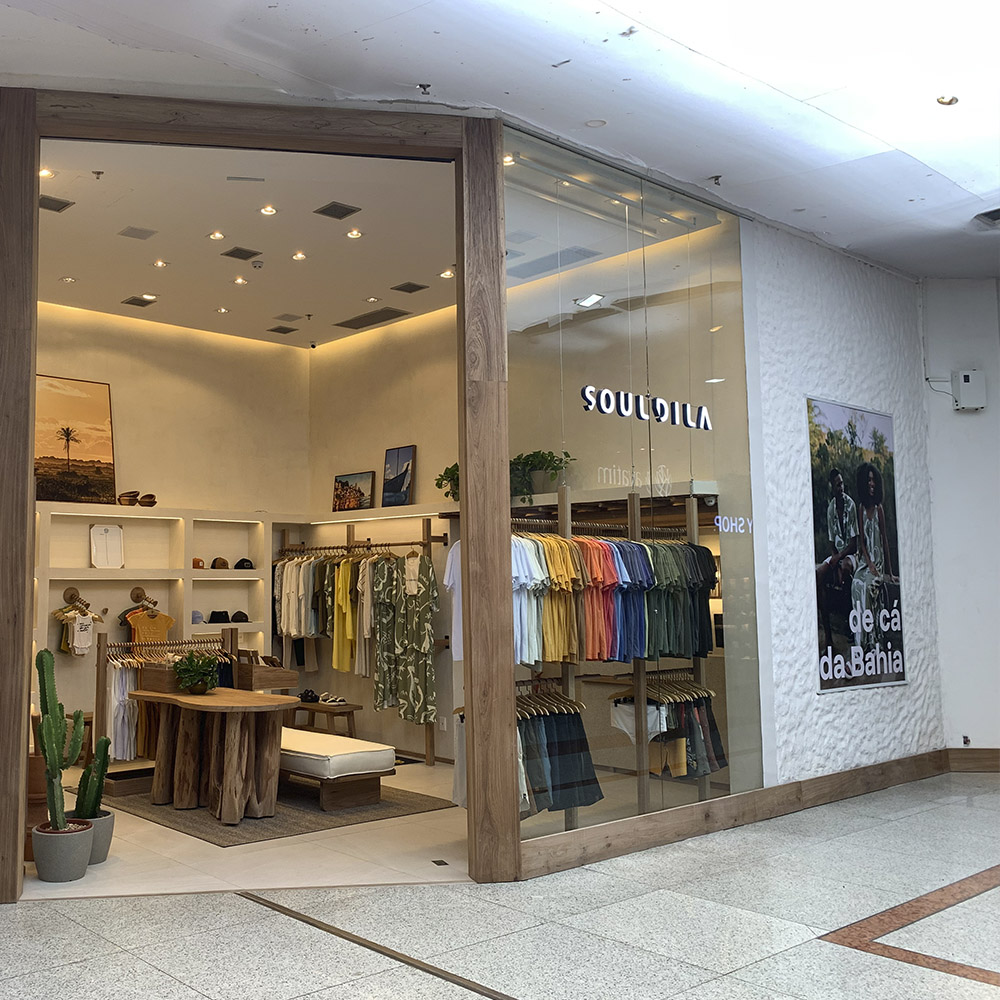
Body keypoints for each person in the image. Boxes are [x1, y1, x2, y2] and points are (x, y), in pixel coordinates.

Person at [851, 462, 897, 648]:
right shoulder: (861, 509)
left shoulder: (879, 510)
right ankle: (860, 640)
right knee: (856, 584)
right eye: (868, 480)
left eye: (873, 480)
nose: (871, 484)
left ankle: (870, 641)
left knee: (868, 587)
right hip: (866, 562)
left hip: (878, 563)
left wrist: (889, 572)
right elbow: (862, 541)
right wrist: (868, 563)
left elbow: (884, 540)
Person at [816, 467, 857, 647]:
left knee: (846, 568)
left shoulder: (851, 505)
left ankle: (850, 624)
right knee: (819, 575)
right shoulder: (831, 508)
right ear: (832, 488)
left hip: (851, 555)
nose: (841, 488)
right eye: (837, 485)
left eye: (842, 484)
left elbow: (854, 544)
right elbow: (831, 542)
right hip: (838, 554)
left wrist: (839, 560)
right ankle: (828, 636)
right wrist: (835, 560)